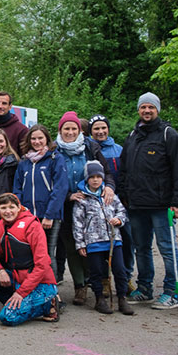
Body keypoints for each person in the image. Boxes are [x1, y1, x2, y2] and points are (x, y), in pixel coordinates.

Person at [120, 92, 178, 309]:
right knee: (141, 248)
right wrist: (124, 197)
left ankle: (172, 292)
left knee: (167, 248)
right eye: (143, 107)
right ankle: (144, 288)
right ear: (138, 110)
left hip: (162, 206)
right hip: (136, 205)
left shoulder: (169, 135)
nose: (147, 111)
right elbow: (124, 169)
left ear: (157, 109)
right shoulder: (133, 136)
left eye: (151, 107)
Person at [55, 111, 115, 306]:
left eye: (74, 128)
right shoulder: (54, 150)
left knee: (95, 246)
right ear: (60, 130)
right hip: (66, 205)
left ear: (80, 130)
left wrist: (109, 187)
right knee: (72, 247)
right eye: (66, 129)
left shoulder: (90, 147)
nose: (70, 132)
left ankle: (100, 281)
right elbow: (50, 180)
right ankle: (80, 286)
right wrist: (68, 196)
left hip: (91, 206)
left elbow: (106, 172)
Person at [0, 193, 60, 325]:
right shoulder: (2, 225)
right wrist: (0, 271)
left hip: (40, 282)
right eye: (3, 208)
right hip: (17, 279)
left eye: (11, 207)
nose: (8, 211)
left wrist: (21, 293)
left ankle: (48, 304)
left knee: (8, 318)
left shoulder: (32, 225)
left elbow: (42, 265)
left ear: (19, 207)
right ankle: (13, 302)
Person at [72, 161, 135, 315]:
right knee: (96, 271)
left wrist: (118, 220)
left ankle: (122, 298)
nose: (95, 180)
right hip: (93, 241)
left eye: (98, 177)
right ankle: (99, 298)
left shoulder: (110, 195)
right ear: (87, 179)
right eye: (92, 177)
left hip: (113, 240)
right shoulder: (82, 199)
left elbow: (121, 211)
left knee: (119, 269)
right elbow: (77, 223)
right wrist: (80, 244)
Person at [13, 124, 68, 283]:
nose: (37, 142)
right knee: (30, 254)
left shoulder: (55, 158)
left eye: (40, 138)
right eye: (33, 138)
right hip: (28, 217)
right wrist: (21, 212)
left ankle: (52, 291)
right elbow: (17, 188)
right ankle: (35, 288)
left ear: (47, 139)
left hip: (49, 217)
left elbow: (60, 188)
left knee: (47, 254)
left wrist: (49, 215)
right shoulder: (24, 162)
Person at [89, 114, 134, 277]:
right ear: (91, 131)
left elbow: (126, 173)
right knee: (98, 241)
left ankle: (126, 274)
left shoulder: (119, 150)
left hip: (118, 201)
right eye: (96, 128)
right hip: (95, 201)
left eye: (103, 128)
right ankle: (103, 277)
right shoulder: (88, 149)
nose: (100, 131)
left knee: (126, 238)